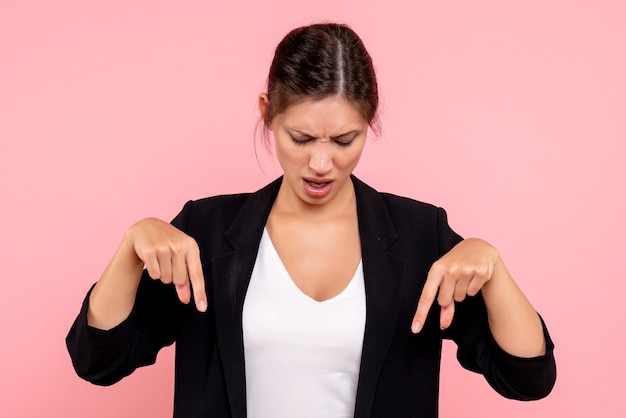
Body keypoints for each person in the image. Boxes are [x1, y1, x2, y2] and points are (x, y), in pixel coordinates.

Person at [66, 23, 556, 418]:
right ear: (267, 114)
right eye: (301, 138)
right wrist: (131, 250)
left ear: (371, 120)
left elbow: (528, 378)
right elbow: (99, 362)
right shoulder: (207, 232)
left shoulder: (418, 237)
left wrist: (492, 266)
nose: (322, 164)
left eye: (345, 141)